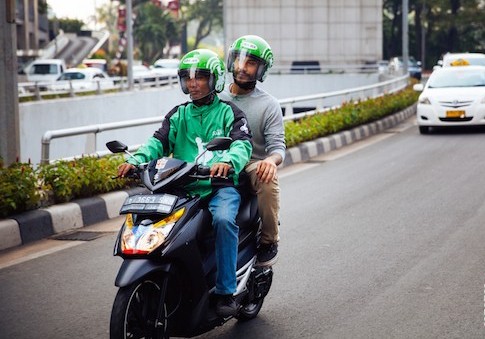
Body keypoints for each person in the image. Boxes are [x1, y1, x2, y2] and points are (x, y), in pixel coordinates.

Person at [117, 49, 252, 318]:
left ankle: (226, 292)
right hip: (181, 188)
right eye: (187, 78)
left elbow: (242, 145)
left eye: (200, 77)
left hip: (218, 188)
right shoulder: (178, 115)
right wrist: (137, 160)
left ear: (214, 80)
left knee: (224, 220)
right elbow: (157, 143)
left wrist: (227, 162)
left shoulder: (229, 113)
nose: (192, 83)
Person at [219, 35, 285, 267]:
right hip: (215, 161)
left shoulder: (269, 105)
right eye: (239, 60)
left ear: (261, 69)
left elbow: (278, 148)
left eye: (250, 63)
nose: (242, 68)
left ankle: (269, 239)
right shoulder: (216, 97)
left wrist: (270, 161)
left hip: (250, 164)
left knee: (266, 175)